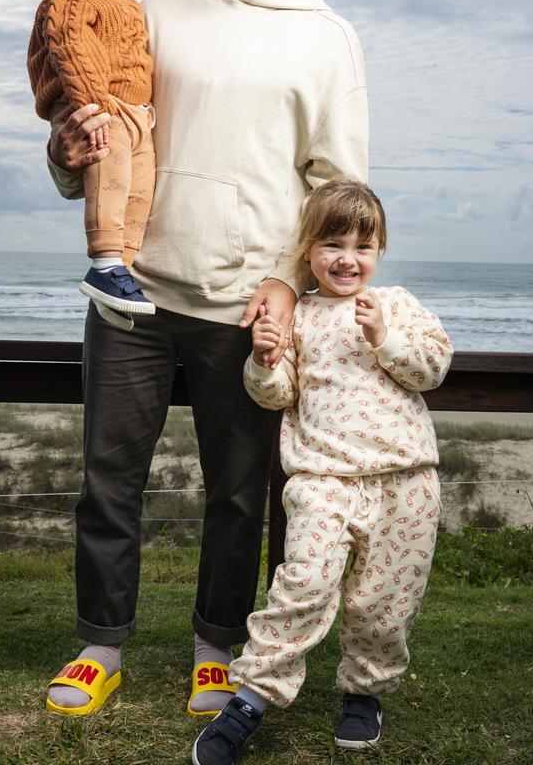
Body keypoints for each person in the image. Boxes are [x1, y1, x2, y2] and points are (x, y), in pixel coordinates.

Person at [43, 0, 369, 719]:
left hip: (246, 305)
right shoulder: (154, 11)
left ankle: (215, 647)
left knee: (238, 491)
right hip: (134, 292)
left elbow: (336, 187)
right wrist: (66, 156)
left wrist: (292, 285)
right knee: (109, 479)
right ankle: (101, 644)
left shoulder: (329, 37)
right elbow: (103, 129)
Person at [192, 180, 453, 763]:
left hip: (405, 480)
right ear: (308, 251)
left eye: (362, 246)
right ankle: (253, 696)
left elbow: (433, 367)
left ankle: (363, 692)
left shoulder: (400, 306)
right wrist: (262, 359)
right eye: (332, 244)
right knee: (303, 584)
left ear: (379, 250)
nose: (346, 259)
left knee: (384, 601)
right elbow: (275, 394)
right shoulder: (300, 317)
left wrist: (384, 338)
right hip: (320, 478)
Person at [28, 0, 161, 325]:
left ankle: (120, 274)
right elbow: (72, 48)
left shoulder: (134, 7)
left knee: (138, 193)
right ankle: (105, 262)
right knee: (109, 180)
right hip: (98, 108)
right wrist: (95, 106)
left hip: (137, 113)